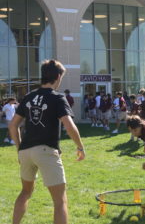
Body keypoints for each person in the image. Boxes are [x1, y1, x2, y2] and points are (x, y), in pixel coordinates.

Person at [9, 59, 85, 224]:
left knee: (25, 192)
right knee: (60, 201)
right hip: (45, 151)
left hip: (26, 152)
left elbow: (13, 125)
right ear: (58, 77)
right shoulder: (57, 97)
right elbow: (69, 126)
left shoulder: (29, 97)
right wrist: (80, 147)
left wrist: (19, 149)